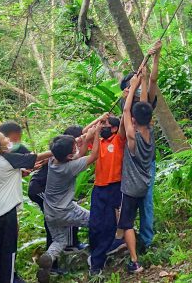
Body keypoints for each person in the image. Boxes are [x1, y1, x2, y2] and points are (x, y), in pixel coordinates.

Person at [36, 118, 102, 283]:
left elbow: (78, 155)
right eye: (74, 147)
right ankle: (99, 253)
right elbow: (93, 156)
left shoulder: (53, 161)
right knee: (96, 221)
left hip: (50, 212)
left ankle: (48, 259)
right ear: (68, 155)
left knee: (60, 240)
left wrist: (85, 138)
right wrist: (96, 135)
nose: (76, 147)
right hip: (66, 210)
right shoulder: (69, 167)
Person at [0, 131, 53, 283]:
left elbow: (11, 174)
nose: (8, 140)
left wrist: (27, 171)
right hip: (5, 210)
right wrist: (58, 149)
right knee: (9, 249)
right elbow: (36, 157)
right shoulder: (7, 158)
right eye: (4, 138)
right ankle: (9, 278)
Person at [118, 40, 162, 251]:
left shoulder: (141, 108)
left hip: (141, 161)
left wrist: (156, 57)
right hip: (131, 161)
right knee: (128, 201)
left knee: (146, 201)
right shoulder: (127, 106)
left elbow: (152, 81)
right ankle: (128, 237)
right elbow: (126, 114)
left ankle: (144, 239)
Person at [118, 68, 156, 274]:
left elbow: (126, 112)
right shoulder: (150, 132)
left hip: (131, 188)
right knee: (140, 213)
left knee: (127, 223)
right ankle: (143, 243)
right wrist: (139, 84)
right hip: (144, 183)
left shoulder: (133, 140)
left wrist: (132, 87)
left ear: (134, 119)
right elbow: (142, 106)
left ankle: (134, 261)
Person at [88, 115, 125, 275]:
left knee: (109, 225)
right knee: (94, 224)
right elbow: (84, 135)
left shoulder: (118, 139)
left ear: (115, 128)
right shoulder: (98, 142)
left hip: (114, 186)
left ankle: (97, 263)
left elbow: (125, 121)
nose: (103, 127)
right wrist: (99, 120)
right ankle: (97, 253)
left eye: (106, 125)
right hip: (98, 187)